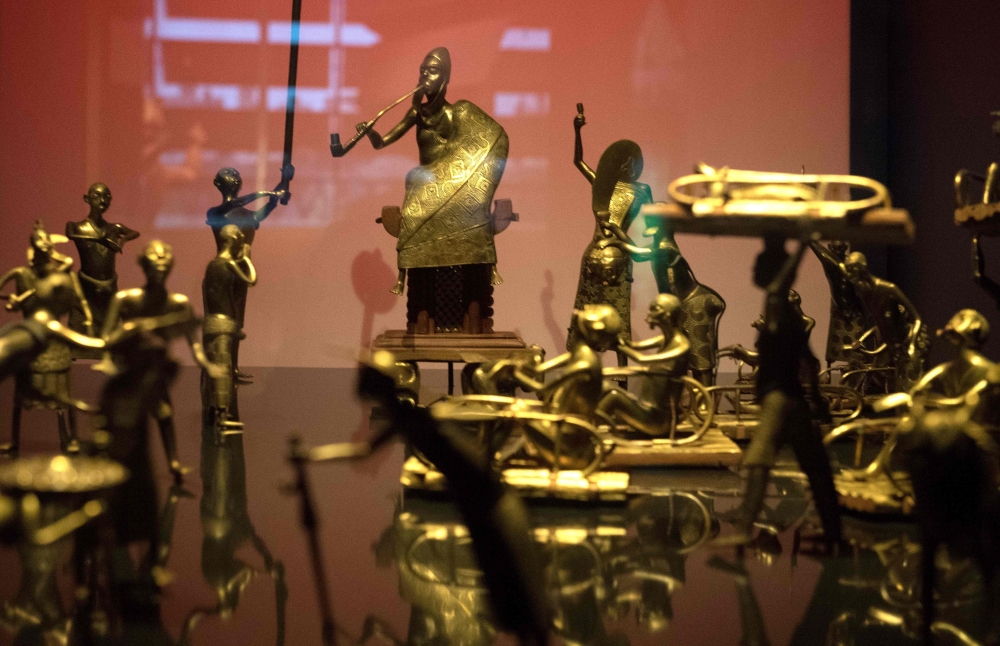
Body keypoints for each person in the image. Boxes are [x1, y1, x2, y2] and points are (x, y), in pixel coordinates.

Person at [360, 47, 508, 333]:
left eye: (433, 70)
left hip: (456, 191)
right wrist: (369, 132)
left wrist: (457, 183)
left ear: (446, 77)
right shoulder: (416, 112)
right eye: (423, 70)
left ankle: (472, 322)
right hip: (425, 187)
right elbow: (382, 143)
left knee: (457, 214)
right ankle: (423, 319)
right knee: (416, 179)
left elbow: (488, 142)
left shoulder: (457, 113)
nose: (426, 75)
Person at [717, 235, 841, 548]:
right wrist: (814, 396)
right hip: (791, 397)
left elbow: (807, 359)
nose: (752, 272)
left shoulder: (776, 297)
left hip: (779, 397)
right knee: (815, 465)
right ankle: (834, 532)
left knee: (759, 460)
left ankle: (745, 530)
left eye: (758, 265)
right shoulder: (783, 311)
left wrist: (799, 245)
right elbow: (809, 359)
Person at [100, 240, 223, 482]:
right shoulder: (125, 299)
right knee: (131, 419)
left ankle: (173, 464)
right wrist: (125, 338)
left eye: (164, 256)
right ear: (144, 264)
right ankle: (123, 464)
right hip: (130, 369)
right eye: (154, 257)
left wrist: (207, 365)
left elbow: (194, 343)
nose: (159, 261)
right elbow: (106, 338)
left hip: (156, 370)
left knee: (163, 414)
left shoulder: (178, 304)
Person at [566, 104, 652, 370]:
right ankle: (602, 373)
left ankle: (606, 373)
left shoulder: (615, 186)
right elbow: (578, 162)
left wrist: (577, 130)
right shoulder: (619, 186)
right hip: (612, 255)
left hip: (602, 254)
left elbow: (578, 162)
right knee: (613, 318)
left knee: (603, 317)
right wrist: (577, 130)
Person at [206, 164, 292, 382]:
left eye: (236, 175)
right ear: (217, 184)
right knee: (220, 324)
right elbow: (236, 203)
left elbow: (261, 213)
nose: (234, 178)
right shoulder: (216, 212)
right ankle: (218, 367)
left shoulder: (246, 215)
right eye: (228, 175)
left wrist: (279, 188)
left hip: (241, 272)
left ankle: (231, 368)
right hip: (221, 273)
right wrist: (265, 193)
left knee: (236, 324)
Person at [597, 294, 690, 436]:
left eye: (654, 309)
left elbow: (642, 359)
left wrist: (620, 347)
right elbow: (635, 345)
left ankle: (584, 434)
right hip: (647, 410)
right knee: (604, 387)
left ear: (667, 314)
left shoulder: (681, 345)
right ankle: (585, 427)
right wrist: (616, 338)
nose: (649, 312)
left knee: (614, 396)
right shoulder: (665, 338)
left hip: (657, 420)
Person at [201, 225, 257, 438]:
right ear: (233, 240)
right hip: (222, 325)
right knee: (222, 372)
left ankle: (217, 417)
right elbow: (252, 279)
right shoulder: (227, 264)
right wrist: (247, 259)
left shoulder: (213, 265)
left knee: (218, 370)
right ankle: (220, 420)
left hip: (217, 324)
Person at [843, 251, 928, 390]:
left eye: (852, 270)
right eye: (848, 271)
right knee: (872, 374)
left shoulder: (889, 289)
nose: (849, 275)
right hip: (888, 344)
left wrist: (912, 344)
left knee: (909, 386)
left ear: (862, 268)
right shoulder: (862, 290)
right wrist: (861, 341)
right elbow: (878, 325)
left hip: (905, 342)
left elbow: (917, 318)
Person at [65, 182, 140, 334]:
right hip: (86, 286)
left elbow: (134, 233)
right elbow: (70, 233)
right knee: (81, 326)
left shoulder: (114, 228)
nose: (102, 201)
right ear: (87, 199)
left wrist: (121, 240)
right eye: (97, 196)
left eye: (106, 197)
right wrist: (101, 240)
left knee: (110, 329)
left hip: (109, 286)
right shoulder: (77, 226)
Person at [808, 240, 870, 370]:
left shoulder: (851, 265)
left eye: (841, 248)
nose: (838, 251)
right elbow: (818, 249)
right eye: (836, 248)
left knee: (857, 348)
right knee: (834, 349)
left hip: (854, 309)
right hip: (839, 310)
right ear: (830, 248)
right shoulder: (830, 263)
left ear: (846, 248)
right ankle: (832, 373)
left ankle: (855, 372)